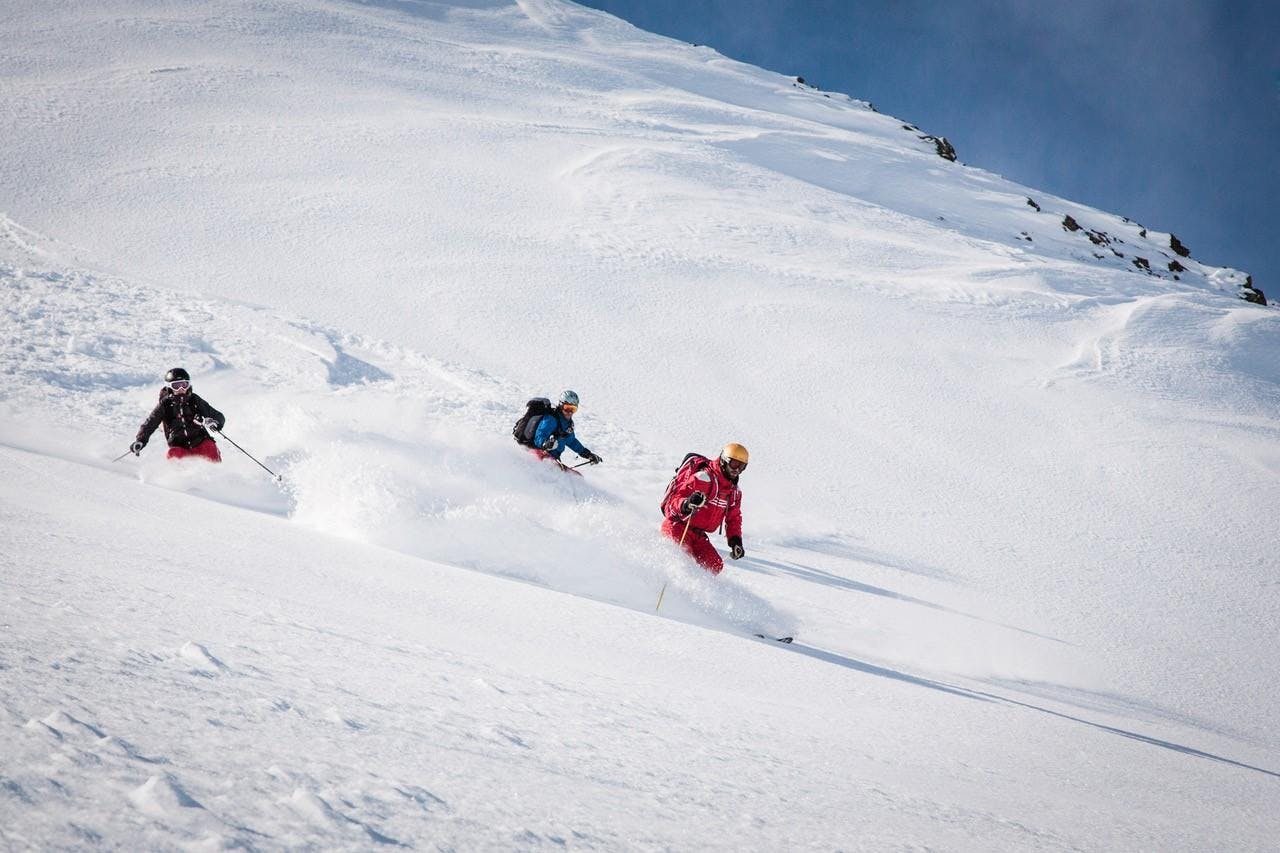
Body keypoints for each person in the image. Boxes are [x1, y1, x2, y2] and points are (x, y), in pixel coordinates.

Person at [659, 443, 749, 575]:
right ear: (724, 460)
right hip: (678, 528)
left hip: (698, 535)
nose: (737, 470)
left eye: (742, 467)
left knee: (714, 565)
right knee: (684, 563)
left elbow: (734, 518)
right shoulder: (704, 479)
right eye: (734, 464)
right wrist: (687, 504)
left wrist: (735, 541)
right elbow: (673, 503)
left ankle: (700, 593)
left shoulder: (734, 492)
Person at [131, 368, 226, 462]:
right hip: (180, 447)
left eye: (184, 385)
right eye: (176, 385)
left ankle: (218, 472)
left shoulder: (194, 400)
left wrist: (215, 423)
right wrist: (141, 440)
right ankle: (179, 476)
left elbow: (217, 415)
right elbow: (150, 423)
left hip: (200, 442)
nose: (181, 389)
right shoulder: (165, 404)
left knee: (210, 446)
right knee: (173, 454)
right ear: (169, 387)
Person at [529, 390, 602, 468]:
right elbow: (539, 435)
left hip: (553, 458)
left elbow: (571, 441)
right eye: (567, 408)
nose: (570, 412)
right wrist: (545, 444)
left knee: (576, 477)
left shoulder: (568, 424)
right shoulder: (551, 419)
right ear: (561, 405)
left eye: (573, 409)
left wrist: (588, 454)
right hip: (540, 454)